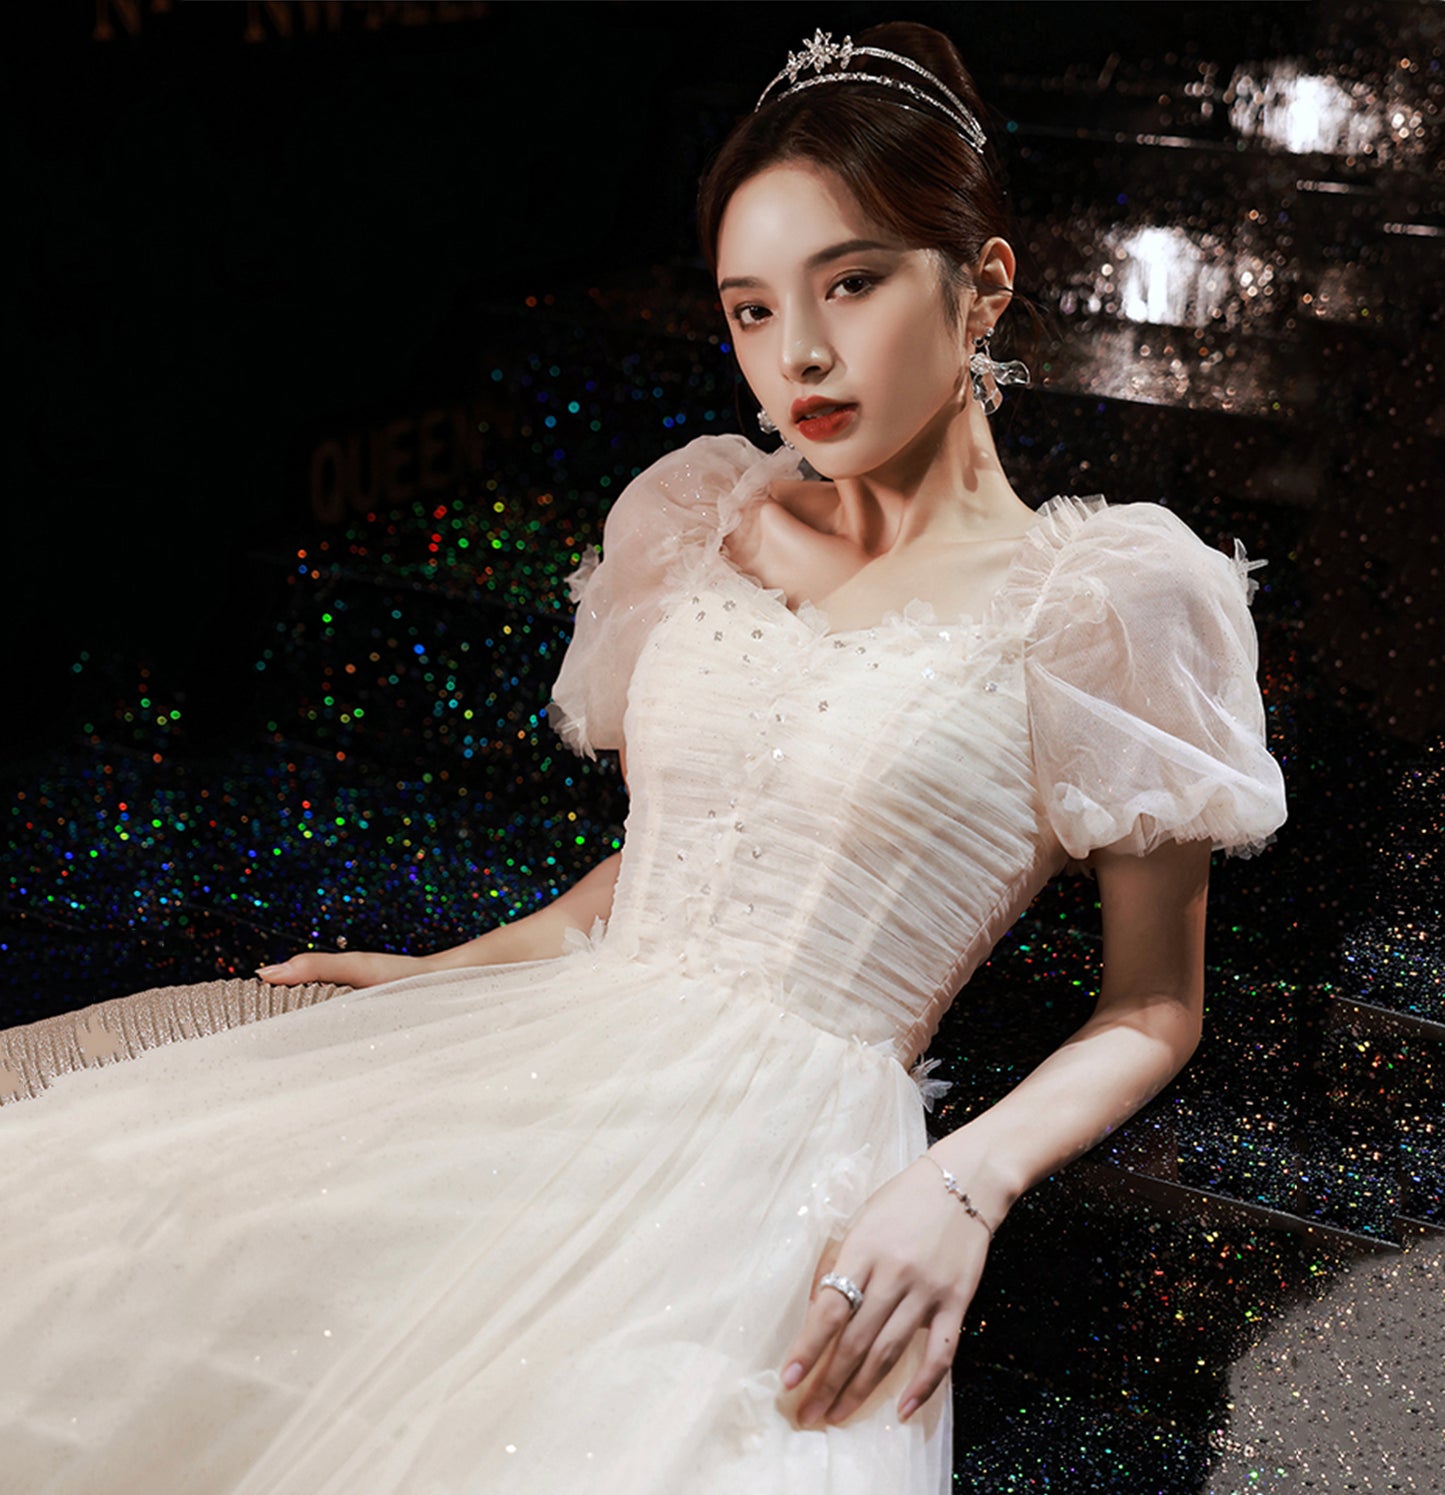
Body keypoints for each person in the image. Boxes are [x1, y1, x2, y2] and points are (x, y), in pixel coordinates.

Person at [0, 21, 1286, 1493]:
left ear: (983, 282)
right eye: (750, 309)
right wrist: (443, 979)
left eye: (851, 283)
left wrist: (963, 1182)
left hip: (775, 1162)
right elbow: (671, 860)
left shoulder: (1110, 602)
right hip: (556, 1057)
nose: (798, 356)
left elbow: (1152, 1006)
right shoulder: (700, 517)